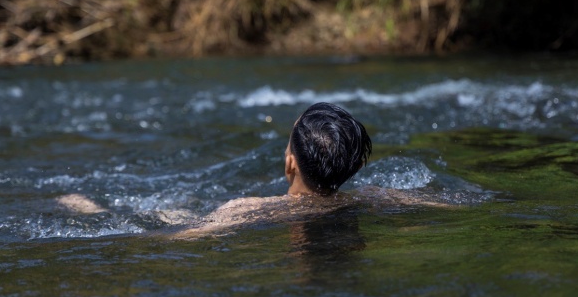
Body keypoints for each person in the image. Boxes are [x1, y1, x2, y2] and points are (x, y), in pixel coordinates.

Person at [58, 102, 442, 238]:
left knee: (168, 220)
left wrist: (96, 215)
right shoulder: (376, 198)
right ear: (353, 165)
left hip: (244, 224)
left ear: (291, 161)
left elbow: (172, 239)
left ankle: (94, 209)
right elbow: (450, 204)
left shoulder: (246, 209)